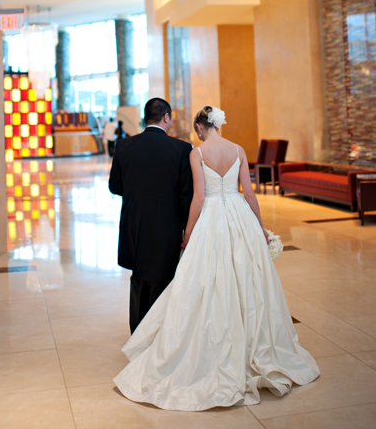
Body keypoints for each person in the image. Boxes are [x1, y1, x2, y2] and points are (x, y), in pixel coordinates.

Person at [114, 105, 319, 411]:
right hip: (239, 215)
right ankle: (255, 343)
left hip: (211, 217)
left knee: (208, 279)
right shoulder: (237, 149)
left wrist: (188, 233)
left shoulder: (197, 153)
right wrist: (260, 227)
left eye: (196, 129)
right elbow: (249, 193)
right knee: (246, 277)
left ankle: (214, 344)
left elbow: (198, 198)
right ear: (218, 124)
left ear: (199, 127)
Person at [109, 98, 193, 333]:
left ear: (145, 118)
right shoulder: (181, 149)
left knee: (139, 277)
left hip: (135, 223)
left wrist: (139, 195)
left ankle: (137, 333)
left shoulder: (124, 146)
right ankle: (160, 333)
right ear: (166, 117)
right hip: (168, 224)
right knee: (164, 278)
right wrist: (187, 229)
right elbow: (186, 195)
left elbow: (115, 186)